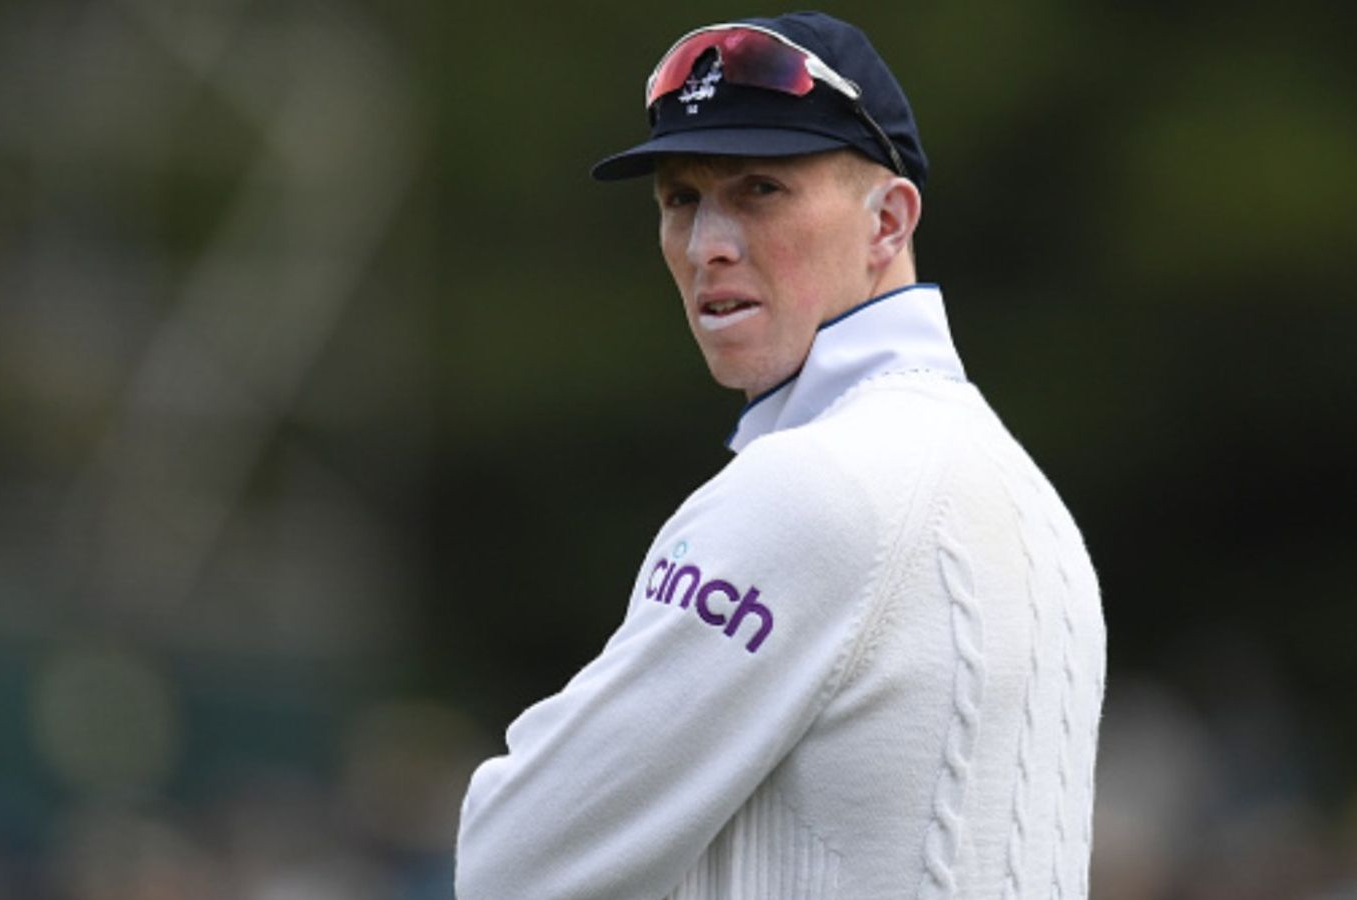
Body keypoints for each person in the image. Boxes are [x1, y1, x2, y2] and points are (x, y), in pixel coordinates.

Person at [454, 12, 1106, 899]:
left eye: (760, 189)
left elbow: (511, 861)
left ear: (888, 223)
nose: (704, 244)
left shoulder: (812, 488)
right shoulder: (1024, 495)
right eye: (681, 198)